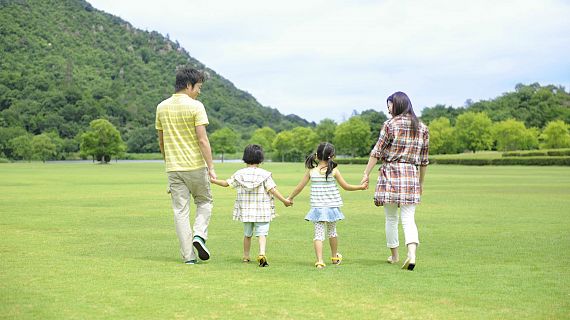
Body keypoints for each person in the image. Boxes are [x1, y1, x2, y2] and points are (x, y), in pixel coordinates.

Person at [361, 91, 429, 271]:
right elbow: (424, 160)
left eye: (389, 105)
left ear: (397, 104)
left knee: (391, 218)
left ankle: (394, 255)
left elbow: (377, 151)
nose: (388, 109)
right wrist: (421, 183)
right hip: (410, 175)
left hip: (391, 173)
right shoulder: (422, 127)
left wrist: (366, 173)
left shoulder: (390, 124)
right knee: (409, 218)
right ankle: (412, 254)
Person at [155, 66, 216, 265]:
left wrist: (169, 164)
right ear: (189, 86)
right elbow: (202, 140)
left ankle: (188, 256)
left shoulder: (161, 107)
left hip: (173, 168)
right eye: (198, 87)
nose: (199, 91)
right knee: (204, 202)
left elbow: (161, 142)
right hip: (195, 166)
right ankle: (199, 235)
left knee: (180, 211)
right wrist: (211, 167)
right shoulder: (196, 106)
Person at [287, 142, 367, 269]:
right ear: (332, 156)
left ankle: (319, 261)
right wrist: (361, 187)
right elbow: (346, 187)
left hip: (317, 208)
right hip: (331, 208)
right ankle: (335, 257)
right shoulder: (334, 171)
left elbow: (299, 187)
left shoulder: (311, 171)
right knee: (332, 232)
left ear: (317, 155)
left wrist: (290, 198)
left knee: (318, 235)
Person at [210, 144, 291, 267]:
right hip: (262, 211)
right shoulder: (264, 174)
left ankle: (246, 256)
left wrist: (212, 180)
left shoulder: (240, 173)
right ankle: (262, 253)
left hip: (246, 211)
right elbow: (272, 190)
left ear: (245, 157)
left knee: (247, 234)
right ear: (260, 158)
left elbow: (226, 183)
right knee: (262, 234)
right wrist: (284, 200)